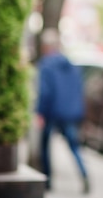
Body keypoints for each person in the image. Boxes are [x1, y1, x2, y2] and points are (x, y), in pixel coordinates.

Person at [36, 28, 90, 194]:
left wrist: (40, 112)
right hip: (70, 113)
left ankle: (47, 180)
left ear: (46, 46)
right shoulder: (71, 65)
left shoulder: (46, 65)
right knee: (74, 147)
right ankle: (84, 175)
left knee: (45, 147)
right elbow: (78, 89)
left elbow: (45, 92)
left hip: (52, 112)